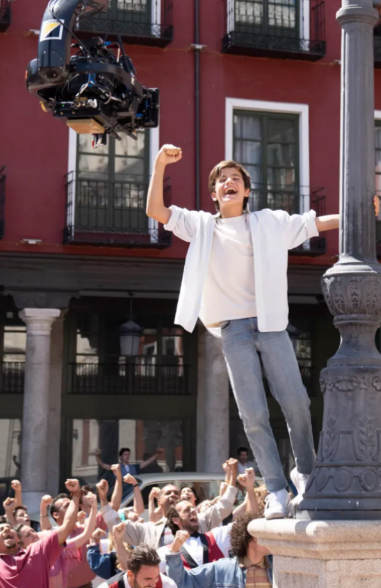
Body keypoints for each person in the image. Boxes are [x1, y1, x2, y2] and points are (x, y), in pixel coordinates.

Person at [148, 147, 344, 519]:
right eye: (221, 179)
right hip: (233, 330)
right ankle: (276, 491)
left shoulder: (270, 222)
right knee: (253, 414)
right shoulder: (202, 226)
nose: (228, 182)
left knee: (296, 403)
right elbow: (156, 211)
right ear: (214, 194)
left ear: (247, 190)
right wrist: (159, 165)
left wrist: (357, 214)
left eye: (235, 178)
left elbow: (313, 223)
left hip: (270, 325)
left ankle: (306, 473)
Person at [164, 512, 269, 588]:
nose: (272, 538)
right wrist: (175, 550)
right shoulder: (222, 569)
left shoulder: (277, 567)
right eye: (264, 534)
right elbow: (182, 582)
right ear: (250, 540)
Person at [109, 546, 178, 588]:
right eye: (148, 579)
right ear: (130, 574)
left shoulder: (167, 585)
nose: (153, 585)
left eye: (157, 576)